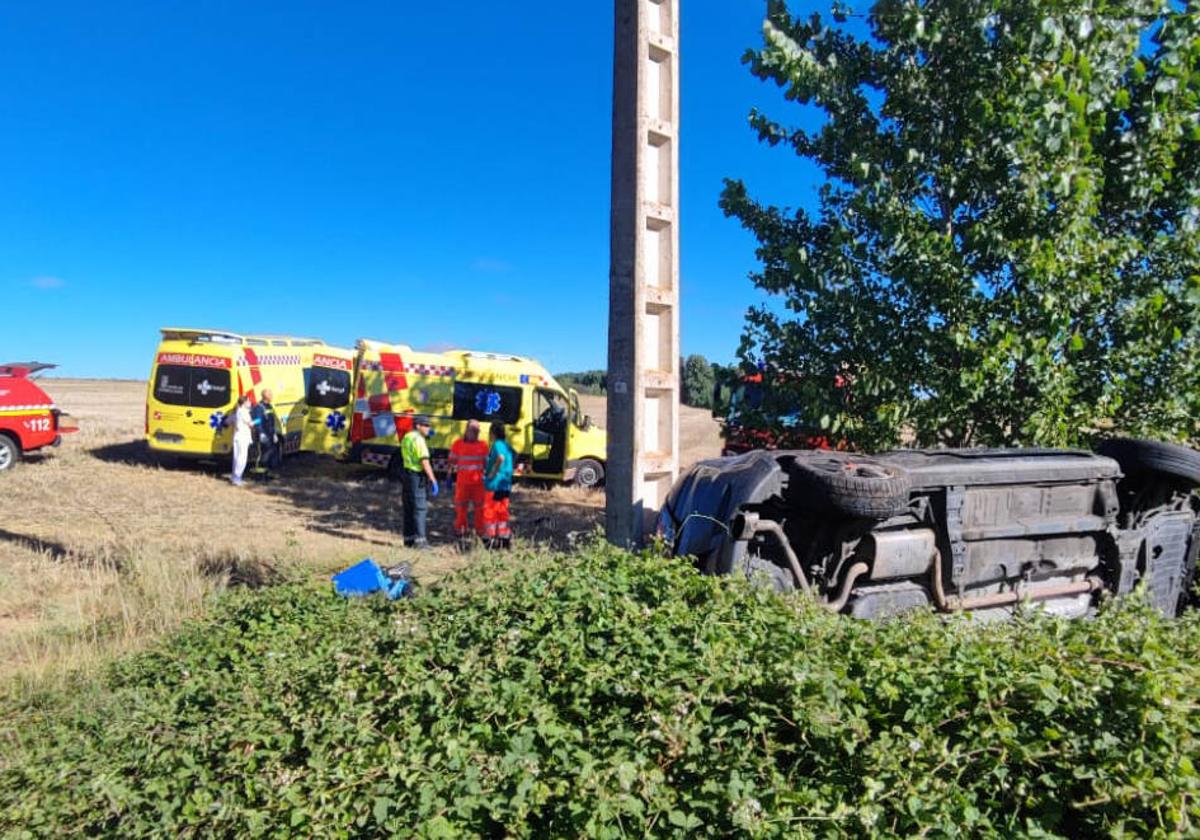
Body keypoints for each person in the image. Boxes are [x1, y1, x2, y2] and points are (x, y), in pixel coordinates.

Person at [400, 415, 439, 548]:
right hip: (417, 476)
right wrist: (433, 479)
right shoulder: (418, 440)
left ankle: (409, 539)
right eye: (426, 425)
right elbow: (424, 461)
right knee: (420, 508)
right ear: (418, 426)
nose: (428, 428)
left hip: (406, 474)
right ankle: (420, 541)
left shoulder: (407, 436)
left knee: (409, 508)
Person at [448, 419, 488, 541]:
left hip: (478, 484)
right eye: (473, 431)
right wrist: (449, 475)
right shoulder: (457, 444)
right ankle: (460, 529)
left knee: (480, 508)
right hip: (463, 483)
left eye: (477, 431)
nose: (475, 433)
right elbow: (451, 462)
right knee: (461, 507)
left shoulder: (483, 445)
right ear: (467, 431)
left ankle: (480, 531)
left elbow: (487, 464)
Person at [483, 421, 515, 549]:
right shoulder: (507, 445)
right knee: (502, 512)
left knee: (490, 513)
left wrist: (492, 473)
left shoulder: (496, 445)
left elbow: (500, 458)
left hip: (494, 485)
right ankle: (504, 538)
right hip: (505, 485)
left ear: (493, 433)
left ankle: (489, 540)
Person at [250, 388, 281, 478]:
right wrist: (260, 433)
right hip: (263, 434)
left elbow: (272, 421)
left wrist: (274, 433)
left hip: (270, 434)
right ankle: (260, 475)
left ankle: (269, 472)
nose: (272, 396)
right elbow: (257, 421)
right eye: (270, 394)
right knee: (264, 455)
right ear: (266, 396)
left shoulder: (269, 406)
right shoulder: (259, 407)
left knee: (272, 454)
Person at [230, 394, 253, 486]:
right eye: (248, 401)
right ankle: (237, 477)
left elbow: (230, 421)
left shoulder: (238, 411)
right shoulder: (244, 412)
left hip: (237, 436)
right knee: (242, 458)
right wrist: (257, 421)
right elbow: (250, 424)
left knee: (236, 457)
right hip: (243, 437)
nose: (250, 403)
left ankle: (235, 477)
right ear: (244, 403)